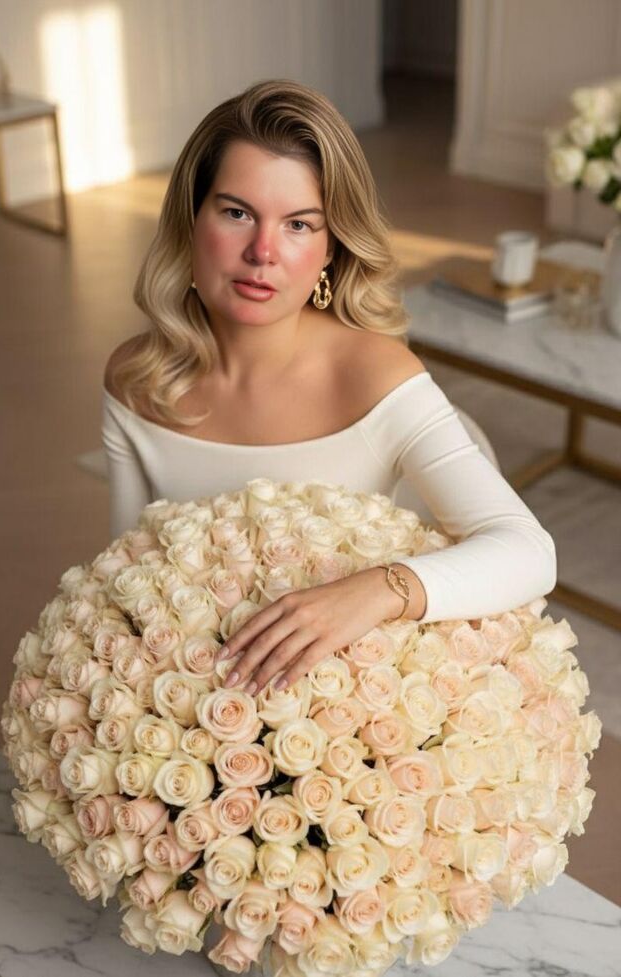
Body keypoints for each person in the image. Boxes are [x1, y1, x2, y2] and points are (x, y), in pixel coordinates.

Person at [102, 78, 556, 697]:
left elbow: (529, 551)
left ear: (331, 249)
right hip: (194, 698)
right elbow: (127, 569)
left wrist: (378, 591)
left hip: (347, 697)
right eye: (237, 213)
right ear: (191, 220)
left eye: (298, 224)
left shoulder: (376, 377)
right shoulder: (137, 381)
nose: (263, 252)